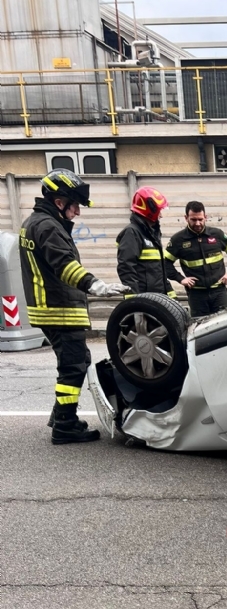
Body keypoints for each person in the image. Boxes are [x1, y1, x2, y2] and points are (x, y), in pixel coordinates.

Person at [19, 170, 128, 443]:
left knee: (79, 361)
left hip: (54, 308)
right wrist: (95, 285)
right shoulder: (47, 227)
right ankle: (65, 425)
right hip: (59, 308)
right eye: (74, 205)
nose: (77, 212)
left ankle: (60, 415)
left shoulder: (38, 223)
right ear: (59, 202)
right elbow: (64, 266)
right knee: (73, 366)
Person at [165, 201, 227, 317]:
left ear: (205, 217)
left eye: (200, 219)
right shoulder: (178, 240)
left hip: (219, 292)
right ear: (186, 218)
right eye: (193, 219)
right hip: (196, 295)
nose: (197, 223)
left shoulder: (217, 234)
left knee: (226, 327)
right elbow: (165, 263)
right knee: (200, 330)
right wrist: (181, 279)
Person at [116, 187, 178, 300]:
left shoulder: (151, 233)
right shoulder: (132, 232)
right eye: (159, 211)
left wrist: (170, 295)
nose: (161, 215)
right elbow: (126, 267)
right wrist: (133, 299)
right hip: (145, 300)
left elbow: (159, 270)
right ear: (150, 210)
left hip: (157, 299)